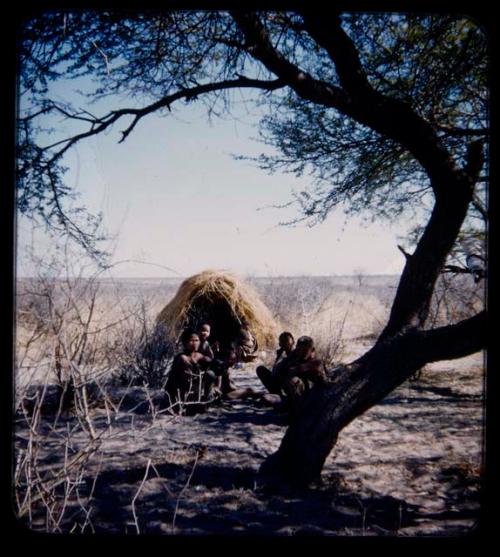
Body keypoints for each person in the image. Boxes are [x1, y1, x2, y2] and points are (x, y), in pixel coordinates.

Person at [164, 329, 217, 412]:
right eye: (191, 340)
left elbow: (211, 362)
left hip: (196, 391)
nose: (195, 343)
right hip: (181, 392)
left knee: (211, 374)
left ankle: (207, 400)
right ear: (185, 343)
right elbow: (172, 379)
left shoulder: (199, 355)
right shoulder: (181, 358)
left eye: (197, 340)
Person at [273, 335, 327, 412]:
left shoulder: (316, 362)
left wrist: (293, 368)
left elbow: (296, 370)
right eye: (299, 349)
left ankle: (299, 410)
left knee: (293, 380)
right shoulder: (295, 356)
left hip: (314, 397)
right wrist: (280, 358)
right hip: (299, 394)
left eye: (305, 350)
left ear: (312, 350)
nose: (301, 352)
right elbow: (277, 371)